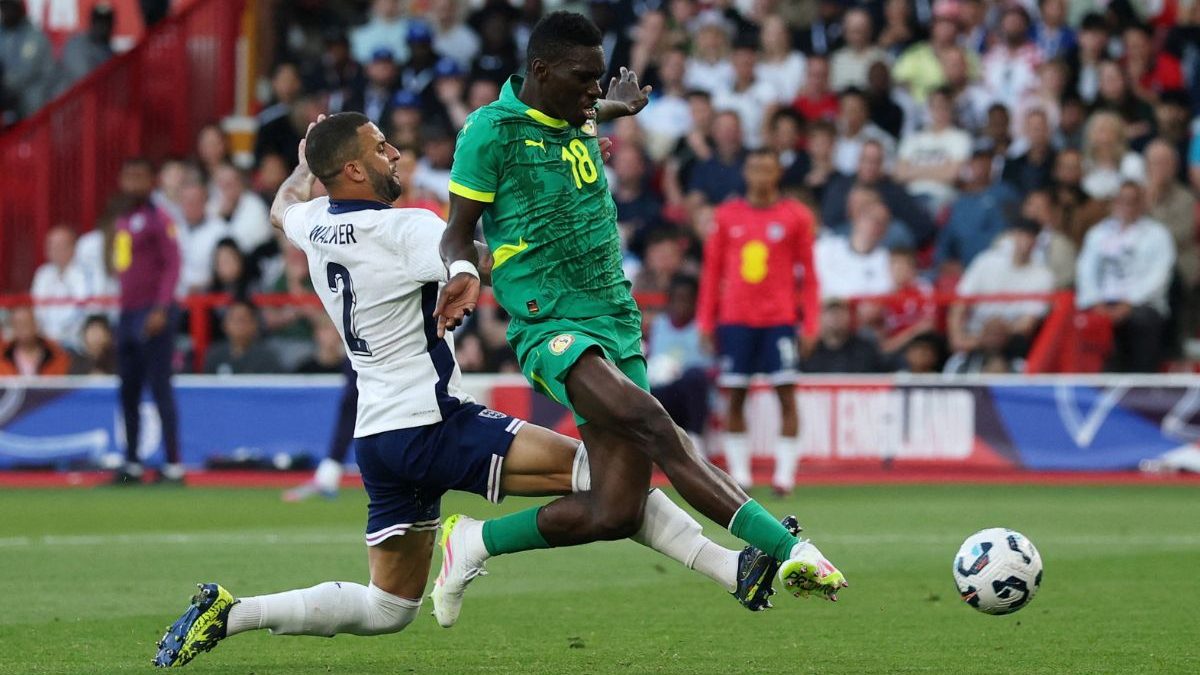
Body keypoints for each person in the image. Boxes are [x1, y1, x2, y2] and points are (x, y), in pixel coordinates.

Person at [152, 110, 799, 669]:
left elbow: (281, 206)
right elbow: (479, 258)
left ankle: (232, 613)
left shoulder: (317, 222)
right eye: (380, 147)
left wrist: (301, 164)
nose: (394, 152)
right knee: (603, 478)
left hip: (378, 438)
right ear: (351, 169)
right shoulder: (405, 228)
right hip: (433, 422)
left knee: (387, 607)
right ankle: (729, 565)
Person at [438, 9, 845, 622]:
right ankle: (788, 547)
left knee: (616, 510)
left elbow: (578, 119)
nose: (593, 91)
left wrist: (610, 109)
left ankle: (470, 541)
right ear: (541, 71)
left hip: (615, 321)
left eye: (599, 79)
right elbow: (456, 236)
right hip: (551, 326)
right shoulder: (489, 133)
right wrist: (466, 274)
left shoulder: (575, 113)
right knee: (659, 428)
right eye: (583, 79)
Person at [696, 149, 820, 495]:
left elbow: (809, 276)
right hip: (735, 320)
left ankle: (784, 476)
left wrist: (809, 323)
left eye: (767, 169)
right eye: (754, 169)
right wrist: (706, 320)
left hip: (779, 320)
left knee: (786, 394)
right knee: (735, 395)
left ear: (777, 173)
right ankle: (741, 475)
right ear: (746, 172)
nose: (761, 176)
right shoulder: (726, 215)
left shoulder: (795, 216)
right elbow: (711, 273)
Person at [110, 158, 183, 485]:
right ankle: (133, 461)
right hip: (126, 313)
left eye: (139, 177)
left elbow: (172, 263)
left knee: (159, 388)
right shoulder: (125, 219)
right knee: (128, 390)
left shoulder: (159, 218)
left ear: (151, 181)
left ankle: (173, 464)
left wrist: (161, 308)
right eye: (128, 176)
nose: (132, 184)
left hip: (151, 313)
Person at [1075, 181, 1176, 372]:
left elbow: (1159, 276)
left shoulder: (1157, 234)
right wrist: (1096, 302)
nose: (1126, 206)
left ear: (1142, 204)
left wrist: (1129, 304)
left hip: (1142, 305)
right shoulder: (1097, 233)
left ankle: (1142, 387)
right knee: (1082, 324)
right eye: (1122, 201)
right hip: (1101, 304)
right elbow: (1085, 270)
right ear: (1114, 203)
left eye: (1132, 201)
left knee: (1141, 322)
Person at [948, 218, 1054, 361]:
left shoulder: (1044, 276)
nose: (1025, 241)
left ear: (1037, 241)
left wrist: (994, 336)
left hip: (1009, 340)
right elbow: (960, 303)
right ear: (1012, 236)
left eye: (1030, 236)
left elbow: (1027, 324)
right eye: (1021, 234)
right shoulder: (986, 261)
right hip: (975, 332)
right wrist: (956, 336)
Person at [30, 226, 88, 351]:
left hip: (74, 341)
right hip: (44, 342)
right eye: (51, 246)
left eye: (60, 246)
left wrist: (60, 337)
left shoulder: (83, 274)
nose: (54, 251)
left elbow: (81, 311)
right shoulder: (42, 274)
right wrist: (46, 337)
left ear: (73, 248)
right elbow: (37, 310)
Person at [202, 299, 285, 375]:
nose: (239, 325)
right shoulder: (215, 354)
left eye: (243, 320)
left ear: (255, 324)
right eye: (234, 319)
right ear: (224, 324)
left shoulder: (267, 357)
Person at [0, 306, 71, 376]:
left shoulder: (56, 354)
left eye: (27, 322)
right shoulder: (2, 354)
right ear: (12, 326)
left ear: (36, 323)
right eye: (18, 323)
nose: (23, 328)